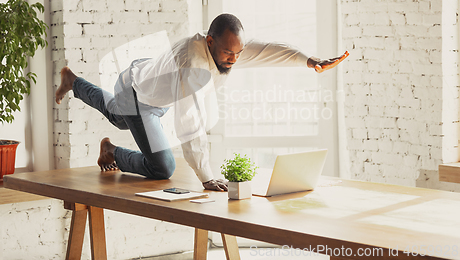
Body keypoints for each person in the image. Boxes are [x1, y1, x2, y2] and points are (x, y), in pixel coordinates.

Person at [55, 13, 348, 191]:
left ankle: (73, 83)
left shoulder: (229, 50)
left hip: (156, 83)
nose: (233, 60)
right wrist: (206, 176)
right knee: (162, 166)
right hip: (136, 90)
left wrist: (309, 61)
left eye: (238, 53)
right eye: (227, 53)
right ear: (209, 41)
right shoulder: (192, 63)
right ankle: (112, 151)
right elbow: (190, 123)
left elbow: (267, 51)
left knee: (117, 117)